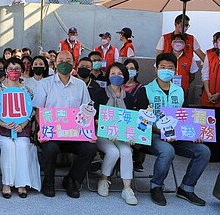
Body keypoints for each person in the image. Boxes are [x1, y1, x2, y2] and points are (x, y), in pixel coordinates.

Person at [137, 53, 210, 206]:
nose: (166, 70)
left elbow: (187, 117)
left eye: (170, 68)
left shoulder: (179, 91)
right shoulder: (146, 90)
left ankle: (186, 188)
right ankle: (156, 186)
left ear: (175, 71)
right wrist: (161, 131)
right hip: (153, 135)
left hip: (178, 135)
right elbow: (141, 120)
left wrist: (195, 132)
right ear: (156, 69)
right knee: (167, 150)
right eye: (163, 67)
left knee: (203, 151)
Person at [33, 50, 97, 198]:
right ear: (55, 64)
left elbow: (87, 111)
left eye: (68, 61)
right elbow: (38, 111)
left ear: (74, 63)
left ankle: (72, 180)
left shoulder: (80, 85)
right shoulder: (45, 84)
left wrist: (90, 133)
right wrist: (42, 129)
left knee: (89, 149)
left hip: (74, 134)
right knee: (50, 149)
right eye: (60, 61)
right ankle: (48, 182)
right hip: (52, 133)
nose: (64, 63)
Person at [0, 57, 41, 198]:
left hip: (22, 130)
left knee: (23, 146)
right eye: (11, 69)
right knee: (8, 146)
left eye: (17, 69)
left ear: (22, 71)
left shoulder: (28, 90)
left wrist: (23, 124)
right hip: (1, 129)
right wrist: (3, 123)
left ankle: (21, 183)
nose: (14, 71)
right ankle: (7, 183)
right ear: (6, 71)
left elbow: (30, 112)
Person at [92, 62, 138, 205]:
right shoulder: (99, 94)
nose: (116, 76)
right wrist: (107, 127)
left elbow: (132, 120)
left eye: (119, 74)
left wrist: (132, 136)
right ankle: (104, 180)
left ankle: (127, 188)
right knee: (113, 152)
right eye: (113, 73)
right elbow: (92, 118)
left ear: (124, 76)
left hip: (122, 137)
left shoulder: (129, 98)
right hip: (102, 135)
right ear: (108, 76)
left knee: (126, 152)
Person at [201, 31, 220, 162]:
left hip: (218, 94)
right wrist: (208, 93)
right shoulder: (209, 54)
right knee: (208, 126)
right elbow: (205, 74)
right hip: (209, 96)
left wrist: (218, 94)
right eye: (215, 40)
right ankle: (208, 155)